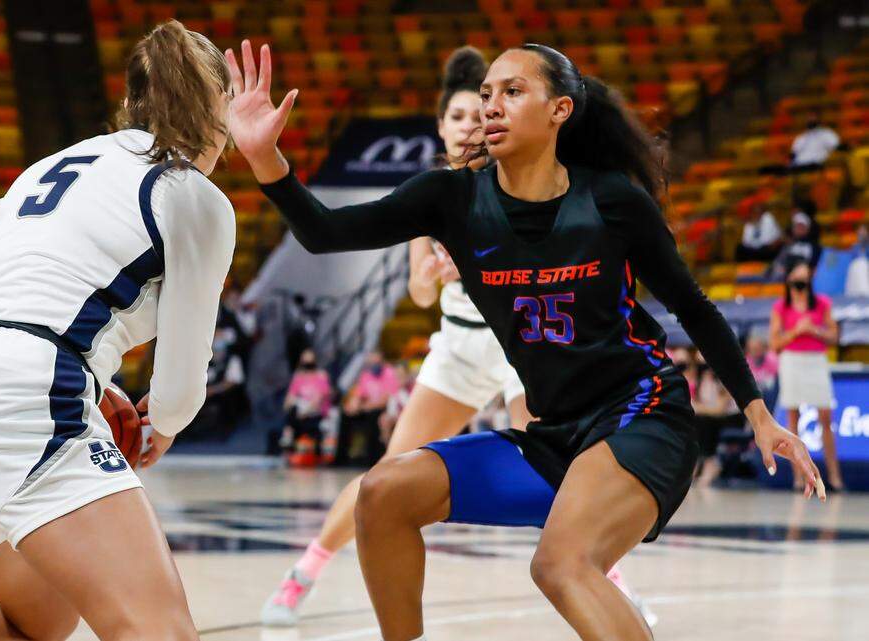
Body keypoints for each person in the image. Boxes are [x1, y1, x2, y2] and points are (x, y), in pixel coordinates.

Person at [228, 40, 823, 641]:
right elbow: (325, 231)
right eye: (487, 93)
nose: (492, 106)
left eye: (512, 92)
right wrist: (265, 158)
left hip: (643, 419)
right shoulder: (453, 197)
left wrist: (758, 413)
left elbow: (693, 307)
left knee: (560, 564)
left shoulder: (610, 200)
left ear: (560, 109)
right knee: (383, 493)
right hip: (554, 436)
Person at [261, 46, 651, 627]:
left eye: (480, 112)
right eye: (460, 116)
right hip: (461, 346)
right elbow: (419, 293)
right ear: (442, 127)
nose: (473, 122)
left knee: (560, 467)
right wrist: (432, 271)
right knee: (387, 478)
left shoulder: (523, 179)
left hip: (523, 348)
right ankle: (307, 571)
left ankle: (606, 578)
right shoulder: (435, 193)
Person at [0, 20, 235, 641]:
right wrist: (161, 425)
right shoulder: (195, 195)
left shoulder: (58, 162)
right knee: (161, 630)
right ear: (216, 113)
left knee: (42, 621)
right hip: (26, 390)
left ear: (132, 101)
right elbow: (180, 389)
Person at [770, 260, 843, 491]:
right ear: (789, 279)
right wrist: (796, 331)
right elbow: (775, 343)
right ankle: (799, 478)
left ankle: (833, 475)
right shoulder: (781, 307)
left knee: (825, 418)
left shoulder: (822, 303)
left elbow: (834, 336)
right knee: (793, 421)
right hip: (791, 361)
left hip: (816, 361)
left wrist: (814, 330)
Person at [338, 350, 400, 465]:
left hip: (383, 409)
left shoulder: (390, 373)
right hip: (366, 408)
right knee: (345, 414)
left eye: (376, 359)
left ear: (382, 359)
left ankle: (372, 459)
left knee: (374, 415)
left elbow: (386, 399)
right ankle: (341, 458)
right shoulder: (366, 374)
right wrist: (353, 405)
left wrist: (364, 406)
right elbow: (359, 394)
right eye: (371, 359)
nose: (373, 362)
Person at [280, 348, 334, 456]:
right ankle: (288, 437)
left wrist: (306, 411)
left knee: (296, 415)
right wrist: (287, 405)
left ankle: (289, 435)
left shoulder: (320, 375)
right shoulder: (298, 376)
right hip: (300, 410)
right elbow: (291, 395)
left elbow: (322, 396)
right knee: (293, 410)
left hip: (315, 410)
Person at [771, 211, 822, 278]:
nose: (799, 229)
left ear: (808, 229)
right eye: (797, 226)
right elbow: (778, 264)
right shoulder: (787, 245)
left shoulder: (815, 247)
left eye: (802, 227)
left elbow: (815, 268)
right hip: (781, 277)